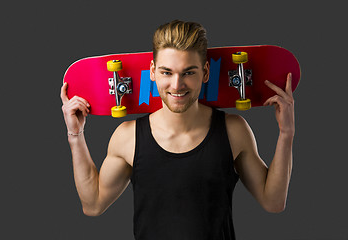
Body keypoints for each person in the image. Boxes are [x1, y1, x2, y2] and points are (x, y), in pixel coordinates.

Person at [60, 20, 295, 240]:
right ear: (152, 71)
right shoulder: (127, 136)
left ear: (205, 72)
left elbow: (273, 202)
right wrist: (76, 136)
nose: (177, 85)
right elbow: (93, 205)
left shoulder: (233, 130)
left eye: (188, 72)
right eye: (167, 72)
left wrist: (286, 134)